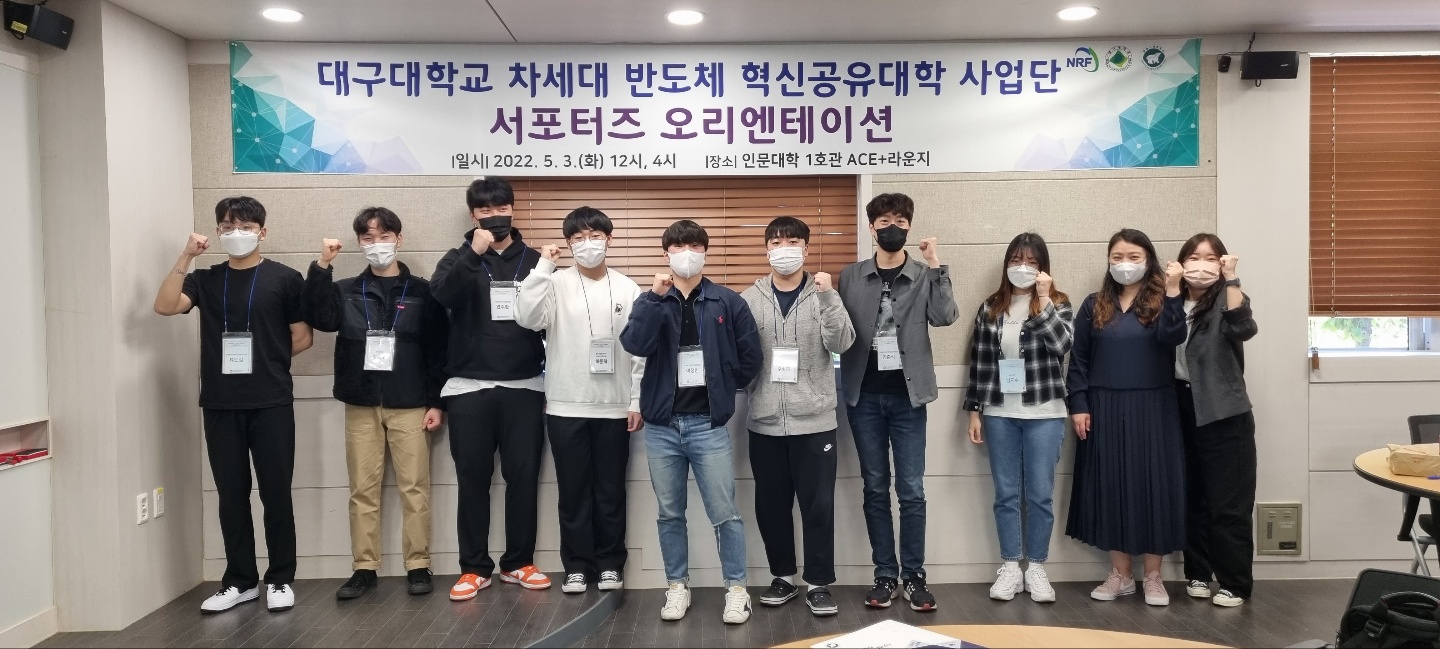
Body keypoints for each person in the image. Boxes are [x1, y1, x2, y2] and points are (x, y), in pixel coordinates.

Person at [153, 196, 312, 614]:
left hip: (271, 400)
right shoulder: (205, 279)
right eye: (227, 226)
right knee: (231, 494)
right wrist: (186, 255)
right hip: (221, 402)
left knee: (276, 493)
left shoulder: (285, 278)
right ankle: (240, 581)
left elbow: (302, 337)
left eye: (245, 227)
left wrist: (265, 360)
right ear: (217, 232)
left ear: (263, 232)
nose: (236, 233)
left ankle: (280, 577)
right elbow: (165, 306)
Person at [619, 219, 762, 624]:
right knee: (670, 513)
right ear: (666, 253)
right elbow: (634, 343)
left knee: (725, 513)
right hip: (662, 426)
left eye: (695, 246)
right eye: (679, 246)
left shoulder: (726, 301)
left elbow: (751, 356)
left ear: (705, 252)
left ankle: (737, 590)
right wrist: (653, 297)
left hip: (708, 425)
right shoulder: (652, 300)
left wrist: (723, 387)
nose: (687, 253)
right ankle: (677, 586)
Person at [302, 207, 449, 600]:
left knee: (414, 489)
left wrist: (437, 402)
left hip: (411, 402)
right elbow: (319, 318)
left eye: (384, 236)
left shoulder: (423, 291)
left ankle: (418, 564)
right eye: (368, 238)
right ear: (359, 243)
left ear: (399, 239)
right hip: (361, 402)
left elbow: (438, 350)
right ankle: (364, 568)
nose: (377, 244)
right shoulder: (345, 289)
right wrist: (322, 266)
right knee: (362, 490)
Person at [430, 177, 551, 600]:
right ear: (473, 215)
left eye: (501, 207)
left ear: (512, 209)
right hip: (468, 387)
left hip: (525, 386)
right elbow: (442, 299)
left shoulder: (535, 260)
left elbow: (551, 322)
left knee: (523, 478)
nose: (494, 215)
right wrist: (473, 253)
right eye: (485, 210)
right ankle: (473, 567)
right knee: (472, 480)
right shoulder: (457, 258)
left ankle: (519, 562)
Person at [838, 193, 959, 612]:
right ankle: (885, 575)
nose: (894, 227)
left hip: (909, 398)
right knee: (874, 487)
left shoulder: (924, 275)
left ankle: (914, 576)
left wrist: (936, 264)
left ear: (909, 227)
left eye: (901, 221)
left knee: (911, 490)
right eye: (885, 220)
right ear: (871, 227)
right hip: (864, 396)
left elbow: (945, 316)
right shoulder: (851, 276)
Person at [515, 206, 645, 594]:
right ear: (569, 244)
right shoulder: (554, 282)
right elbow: (526, 317)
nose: (588, 244)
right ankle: (576, 566)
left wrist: (635, 400)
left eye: (595, 236)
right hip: (565, 405)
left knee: (610, 492)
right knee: (572, 492)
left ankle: (610, 564)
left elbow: (640, 353)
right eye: (578, 238)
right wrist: (542, 267)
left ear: (609, 239)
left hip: (615, 408)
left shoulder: (628, 287)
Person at [1065, 228, 1188, 607]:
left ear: (1149, 260)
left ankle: (1153, 576)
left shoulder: (1164, 301)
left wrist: (1173, 291)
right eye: (1117, 257)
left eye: (1134, 257)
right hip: (1103, 406)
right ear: (1108, 261)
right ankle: (1120, 574)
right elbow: (1079, 360)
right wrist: (1079, 404)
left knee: (1154, 485)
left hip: (1155, 406)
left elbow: (1174, 336)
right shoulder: (1094, 305)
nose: (1125, 264)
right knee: (1110, 485)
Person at [740, 217, 855, 617]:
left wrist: (828, 298)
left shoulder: (823, 292)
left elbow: (842, 343)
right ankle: (783, 577)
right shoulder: (748, 298)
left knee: (818, 506)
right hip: (765, 421)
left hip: (815, 421)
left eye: (792, 242)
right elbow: (740, 356)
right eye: (776, 242)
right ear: (766, 249)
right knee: (771, 506)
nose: (783, 249)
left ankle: (819, 583)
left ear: (806, 249)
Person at [963, 233, 1074, 604]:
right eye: (1015, 260)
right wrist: (974, 411)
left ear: (1043, 268)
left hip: (1045, 412)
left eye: (1031, 262)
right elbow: (980, 362)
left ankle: (1036, 567)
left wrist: (1043, 301)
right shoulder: (991, 307)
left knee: (1040, 494)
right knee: (1006, 493)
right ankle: (1010, 566)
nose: (1022, 268)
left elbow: (1061, 346)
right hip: (1000, 412)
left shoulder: (1059, 303)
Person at [1174, 234, 1258, 608]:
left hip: (1224, 411)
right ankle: (1197, 572)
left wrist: (1232, 278)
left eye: (1211, 258)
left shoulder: (1229, 296)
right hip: (1180, 406)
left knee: (1229, 503)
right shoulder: (1170, 300)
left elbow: (1243, 328)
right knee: (1193, 497)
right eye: (1194, 257)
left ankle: (1234, 583)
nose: (1201, 265)